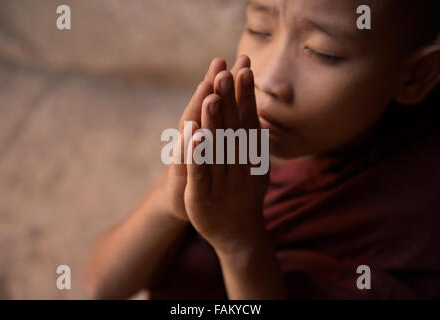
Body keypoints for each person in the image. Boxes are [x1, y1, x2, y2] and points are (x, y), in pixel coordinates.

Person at [83, 0, 440, 299]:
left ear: (416, 75)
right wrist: (170, 197)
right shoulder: (228, 146)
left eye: (323, 52)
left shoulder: (414, 210)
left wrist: (240, 240)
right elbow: (98, 289)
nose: (267, 81)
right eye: (259, 29)